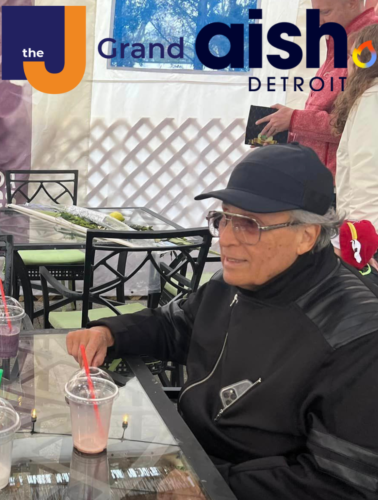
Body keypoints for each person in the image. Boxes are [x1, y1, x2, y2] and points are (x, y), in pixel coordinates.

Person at [66, 144, 378, 499]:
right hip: (188, 455)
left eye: (249, 224)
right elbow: (176, 326)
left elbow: (342, 483)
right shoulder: (236, 282)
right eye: (224, 218)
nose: (225, 238)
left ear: (306, 236)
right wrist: (109, 333)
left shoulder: (357, 334)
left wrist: (211, 486)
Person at [256, 0, 378, 176]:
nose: (318, 22)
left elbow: (357, 124)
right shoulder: (338, 44)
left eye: (325, 12)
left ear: (352, 3)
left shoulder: (370, 45)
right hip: (322, 176)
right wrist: (285, 130)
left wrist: (294, 119)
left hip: (346, 179)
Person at [331, 25, 378, 268]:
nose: (347, 62)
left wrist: (359, 242)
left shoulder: (372, 100)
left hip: (370, 234)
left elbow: (366, 174)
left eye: (351, 55)